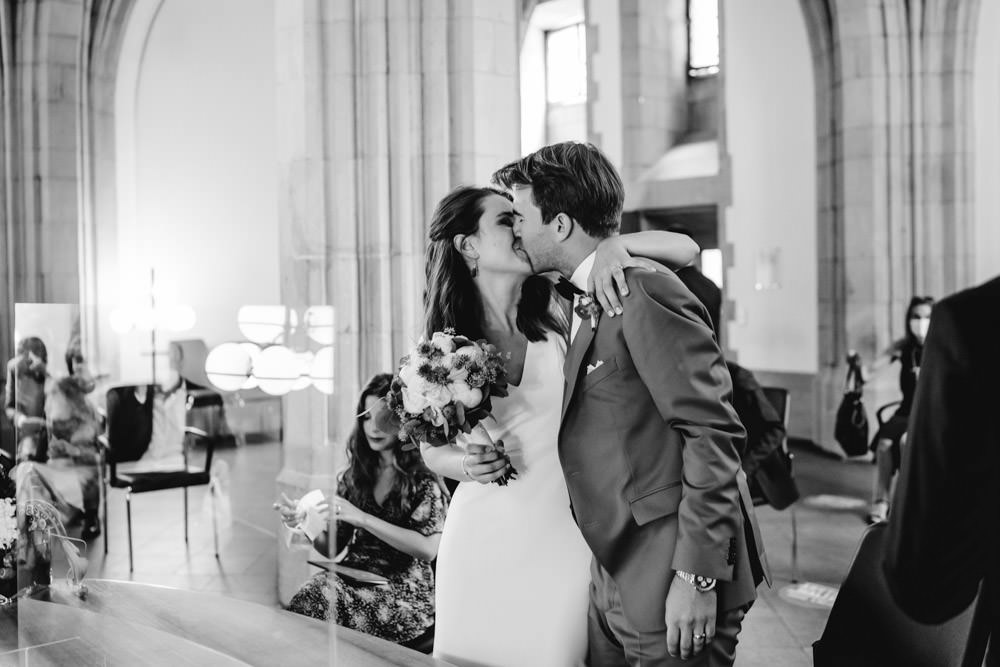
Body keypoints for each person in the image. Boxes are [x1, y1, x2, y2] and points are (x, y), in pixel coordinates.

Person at [500, 141, 768, 665]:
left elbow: (711, 433)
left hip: (671, 569)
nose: (514, 230)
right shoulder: (584, 293)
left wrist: (697, 576)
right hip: (615, 565)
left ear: (559, 225)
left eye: (520, 215)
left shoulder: (642, 290)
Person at [418, 178, 702, 666]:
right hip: (484, 532)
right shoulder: (441, 346)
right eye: (506, 221)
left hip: (566, 532)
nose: (520, 228)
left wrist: (615, 245)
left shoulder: (560, 303)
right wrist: (467, 464)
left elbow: (687, 249)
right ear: (468, 246)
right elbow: (429, 448)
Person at [276, 373, 448, 645]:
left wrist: (364, 519)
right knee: (314, 591)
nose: (373, 428)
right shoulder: (356, 475)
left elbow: (428, 550)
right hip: (354, 578)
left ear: (403, 420)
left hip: (403, 592)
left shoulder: (422, 479)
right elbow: (332, 548)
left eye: (382, 418)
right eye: (366, 418)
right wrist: (306, 522)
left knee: (322, 595)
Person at [883, 276, 1000, 665]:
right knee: (888, 443)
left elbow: (924, 584)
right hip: (904, 416)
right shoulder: (905, 350)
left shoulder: (975, 320)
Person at [863, 296, 934, 524]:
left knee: (906, 442)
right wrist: (858, 372)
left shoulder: (941, 347)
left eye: (926, 317)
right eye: (916, 317)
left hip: (929, 414)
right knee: (884, 446)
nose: (921, 322)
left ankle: (908, 503)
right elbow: (873, 368)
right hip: (905, 412)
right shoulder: (904, 347)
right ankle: (881, 501)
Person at [4, 337, 50, 462]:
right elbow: (9, 407)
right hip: (25, 437)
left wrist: (46, 373)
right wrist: (21, 420)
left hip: (49, 437)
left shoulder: (47, 377)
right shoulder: (14, 370)